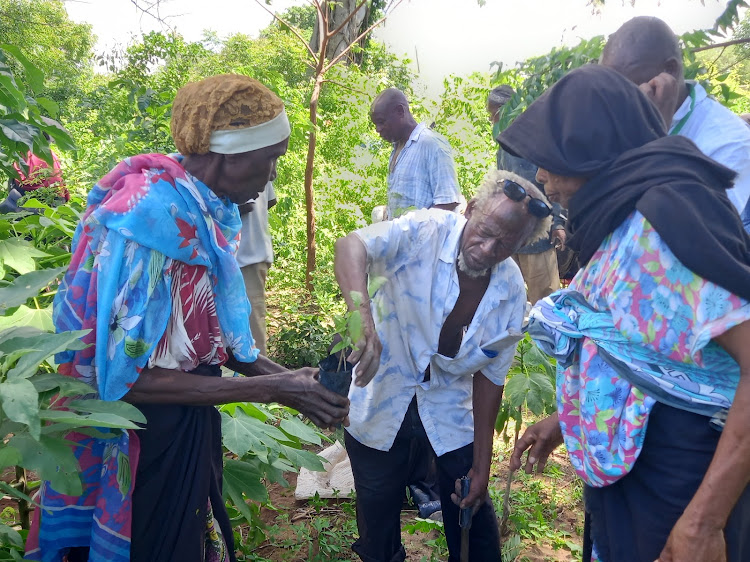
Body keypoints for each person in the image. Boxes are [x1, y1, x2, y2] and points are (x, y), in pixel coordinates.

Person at [25, 74, 349, 562]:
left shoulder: (198, 209)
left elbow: (208, 341)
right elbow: (127, 383)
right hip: (141, 436)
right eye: (272, 161)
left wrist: (296, 382)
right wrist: (271, 388)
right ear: (232, 157)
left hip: (186, 414)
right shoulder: (151, 227)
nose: (272, 178)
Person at [499, 64, 750, 562]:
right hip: (633, 469)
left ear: (594, 149)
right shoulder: (627, 215)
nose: (542, 178)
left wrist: (704, 521)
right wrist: (563, 419)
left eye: (550, 160)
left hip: (679, 483)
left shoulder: (671, 213)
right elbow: (644, 343)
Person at [334, 169, 552, 562]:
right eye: (483, 231)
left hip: (449, 411)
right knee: (378, 513)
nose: (487, 249)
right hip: (382, 396)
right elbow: (351, 246)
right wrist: (361, 316)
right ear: (470, 210)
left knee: (471, 514)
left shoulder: (510, 292)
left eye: (504, 245)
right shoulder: (424, 230)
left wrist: (482, 466)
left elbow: (490, 377)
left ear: (520, 246)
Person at [601, 16, 750, 231]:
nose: (618, 102)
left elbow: (692, 232)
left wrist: (656, 140)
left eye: (627, 88)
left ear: (669, 71)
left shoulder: (730, 141)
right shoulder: (627, 119)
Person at [486, 85, 566, 304]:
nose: (492, 121)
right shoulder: (503, 145)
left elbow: (555, 181)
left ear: (506, 112)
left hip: (540, 233)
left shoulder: (539, 139)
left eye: (493, 115)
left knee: (546, 298)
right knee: (514, 298)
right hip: (513, 234)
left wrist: (557, 223)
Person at [370, 88, 462, 219]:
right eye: (375, 124)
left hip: (426, 238)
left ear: (400, 111)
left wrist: (413, 229)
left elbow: (448, 203)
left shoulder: (432, 145)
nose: (378, 129)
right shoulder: (397, 147)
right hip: (401, 239)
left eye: (381, 122)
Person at [237, 181, 276, 355]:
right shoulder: (259, 158)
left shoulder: (235, 159)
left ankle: (259, 379)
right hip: (251, 252)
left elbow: (244, 205)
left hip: (245, 255)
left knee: (251, 329)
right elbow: (270, 201)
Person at [1, 133, 68, 213]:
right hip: (53, 200)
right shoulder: (51, 156)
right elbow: (60, 181)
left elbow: (15, 177)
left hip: (26, 200)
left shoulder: (25, 154)